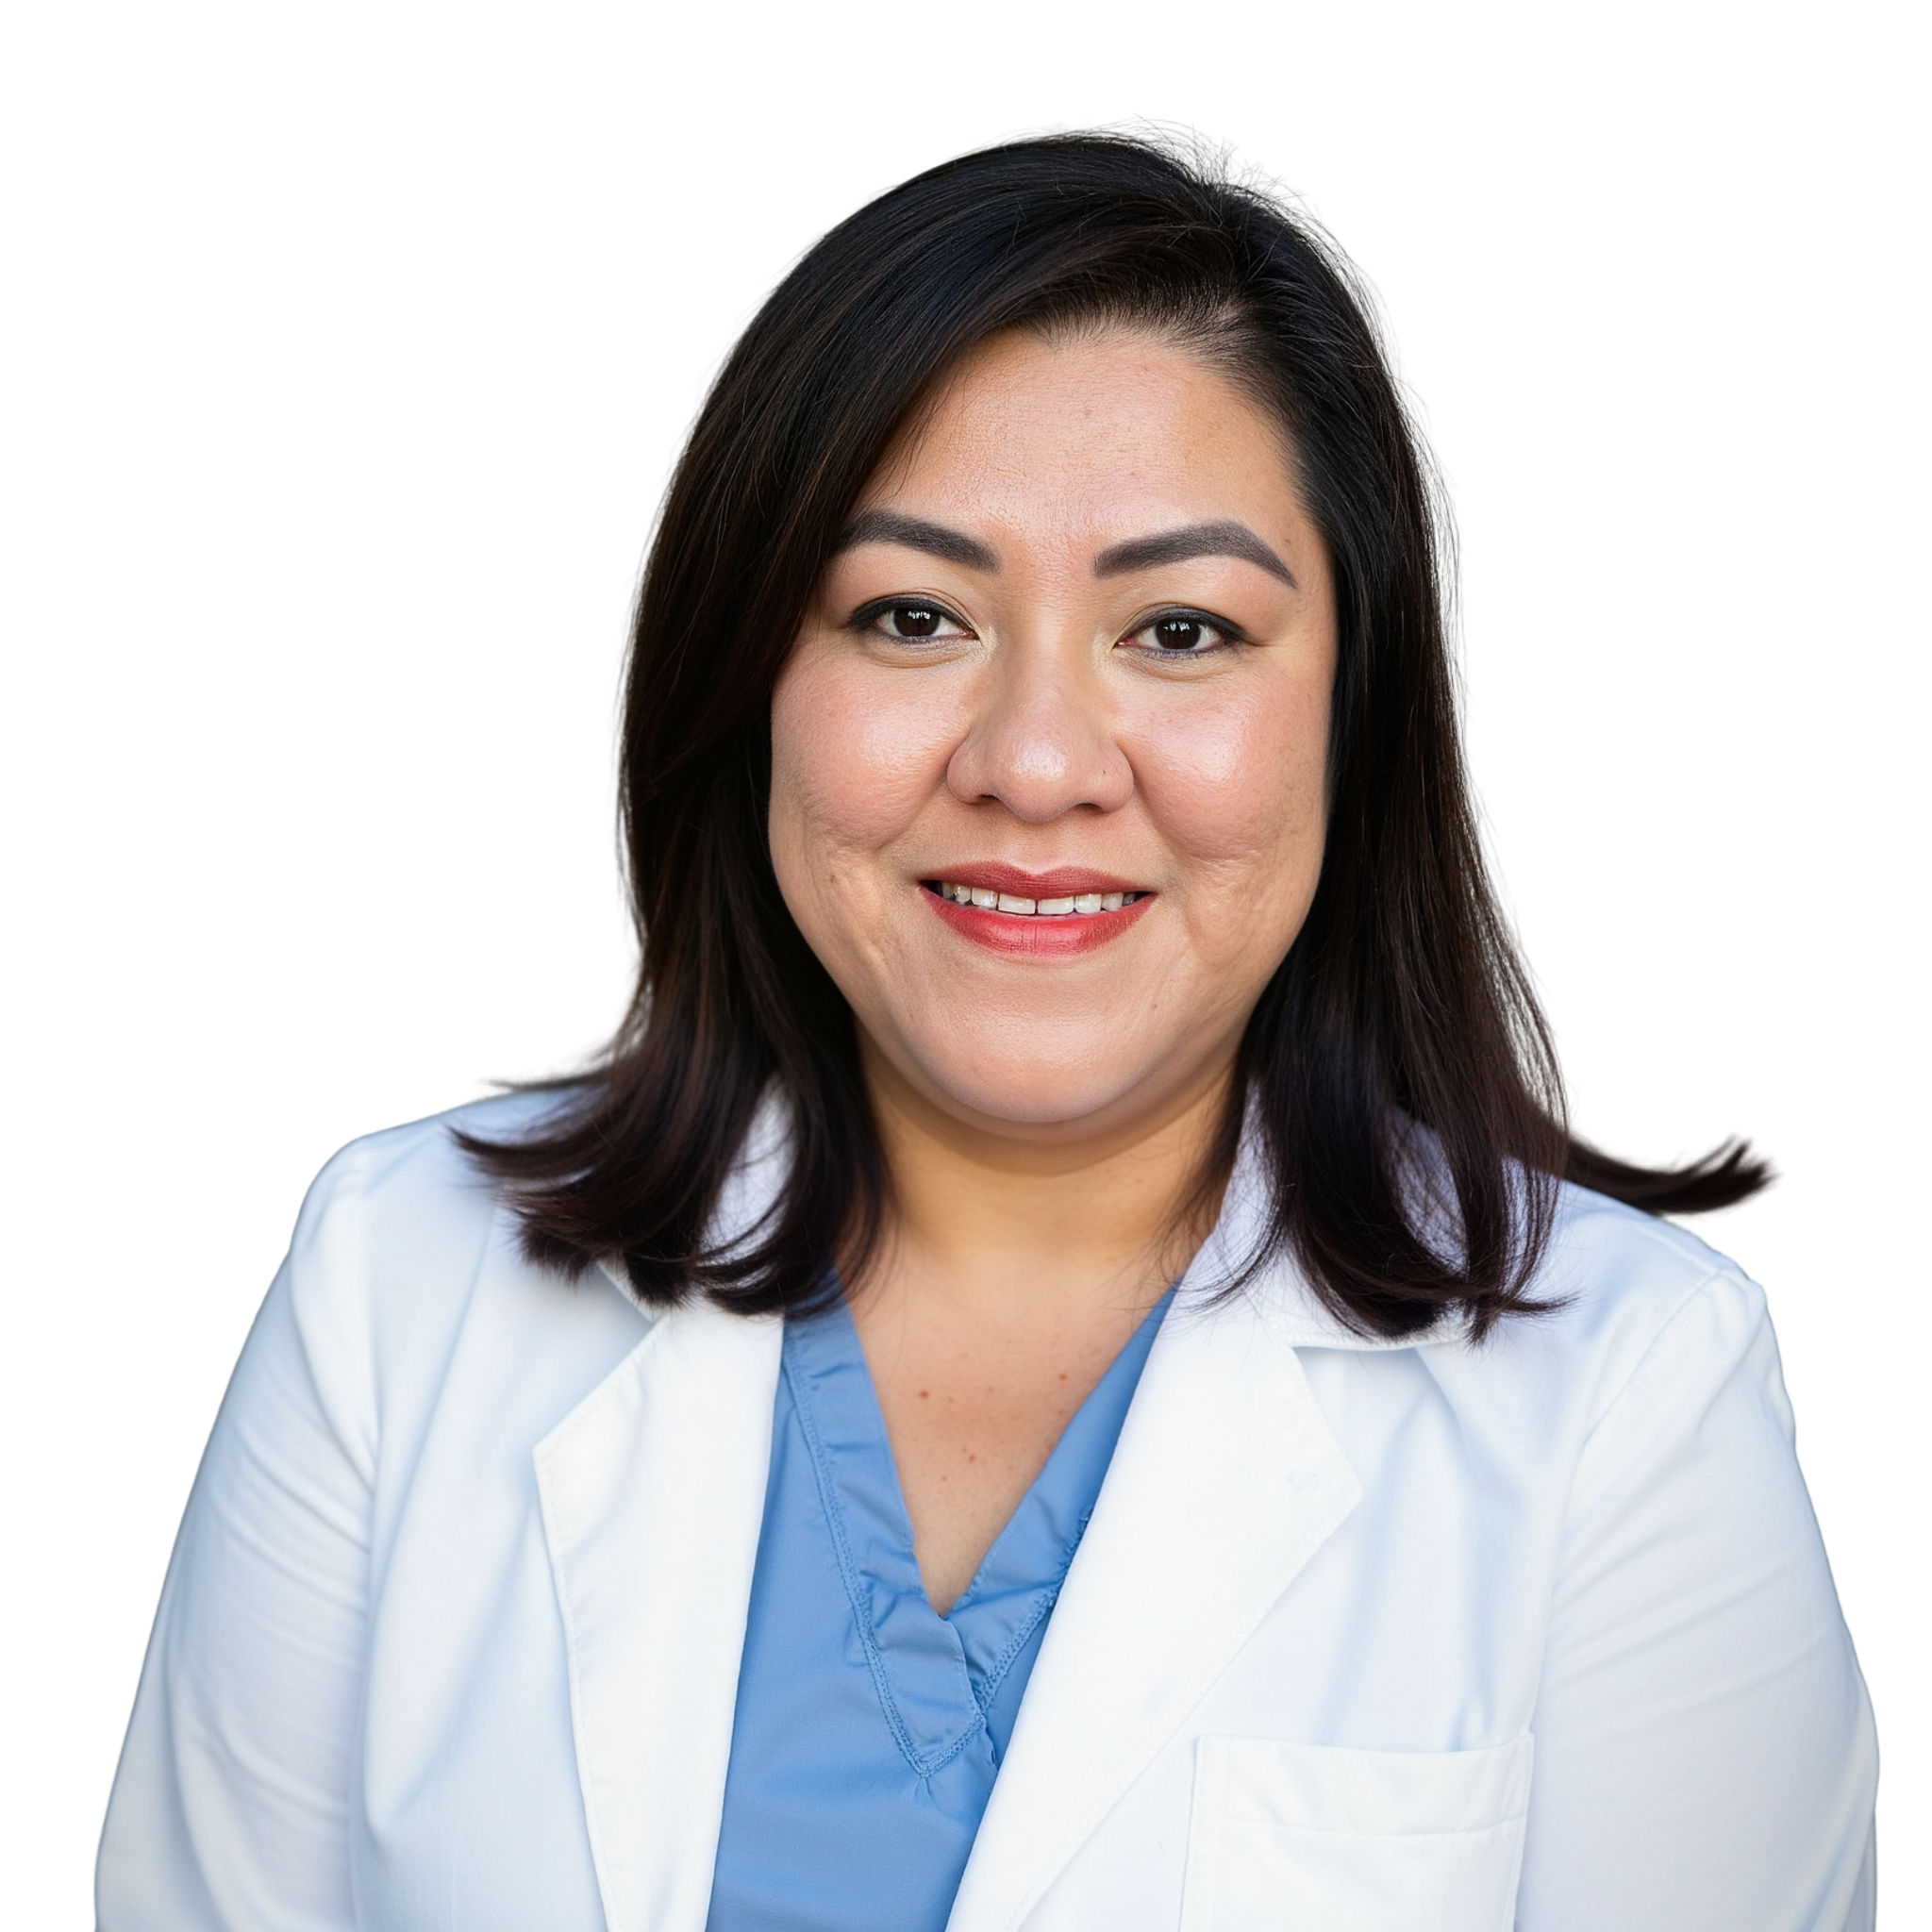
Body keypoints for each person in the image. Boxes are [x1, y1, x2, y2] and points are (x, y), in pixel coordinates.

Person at [95, 125, 1880, 1931]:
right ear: (750, 687)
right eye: (911, 615)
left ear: (1357, 715)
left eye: (1180, 630)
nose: (1032, 763)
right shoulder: (396, 1289)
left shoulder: (1635, 1403)